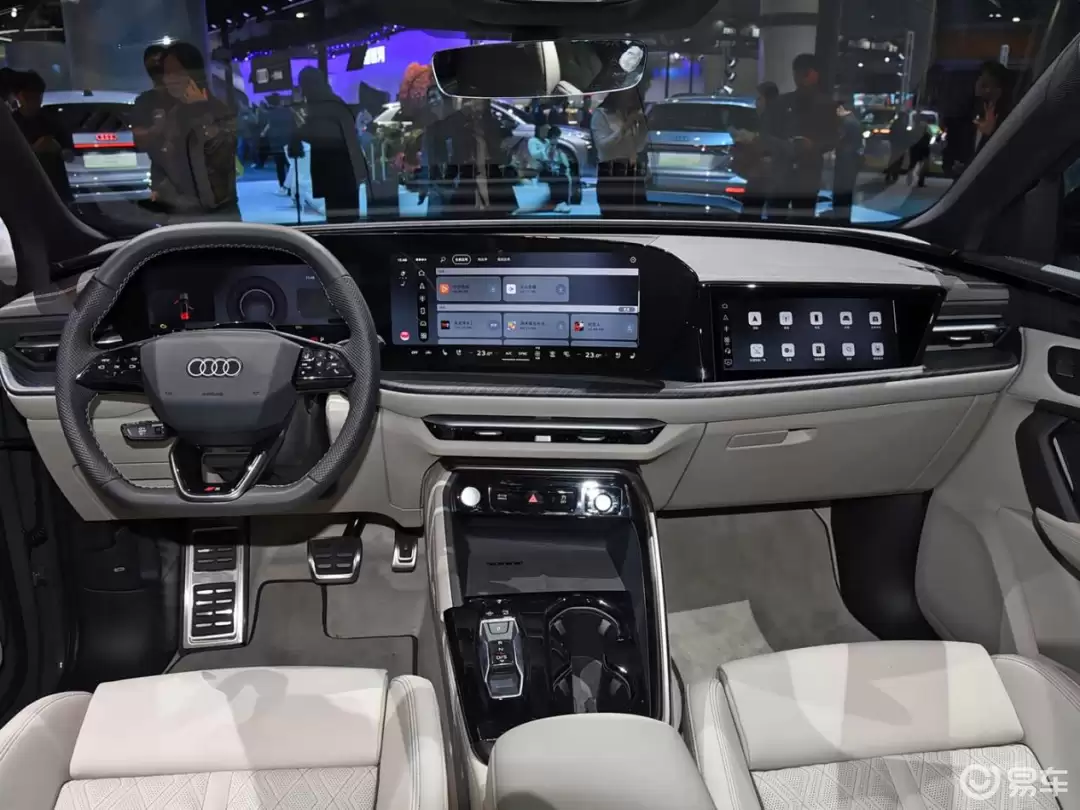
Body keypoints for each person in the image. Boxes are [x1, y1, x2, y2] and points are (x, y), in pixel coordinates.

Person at [157, 41, 238, 218]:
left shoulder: (218, 110)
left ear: (193, 74)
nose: (169, 79)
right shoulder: (173, 113)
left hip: (216, 214)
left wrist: (199, 110)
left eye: (176, 72)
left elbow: (219, 160)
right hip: (180, 212)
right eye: (166, 73)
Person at [293, 66, 367, 223]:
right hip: (340, 171)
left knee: (340, 219)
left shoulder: (325, 106)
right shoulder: (331, 103)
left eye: (303, 86)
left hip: (338, 171)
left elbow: (325, 136)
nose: (303, 92)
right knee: (343, 217)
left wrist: (297, 134)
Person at [774, 53, 838, 218]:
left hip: (808, 172)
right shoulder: (782, 102)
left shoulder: (827, 105)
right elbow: (770, 132)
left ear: (815, 74)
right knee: (776, 217)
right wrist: (783, 143)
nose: (800, 77)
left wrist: (814, 145)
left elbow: (833, 138)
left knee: (803, 216)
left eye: (806, 73)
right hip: (782, 171)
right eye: (798, 73)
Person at [11, 70, 74, 204]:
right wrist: (34, 150)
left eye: (38, 97)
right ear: (19, 96)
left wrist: (60, 150)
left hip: (55, 188)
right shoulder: (11, 124)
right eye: (29, 97)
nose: (34, 102)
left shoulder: (53, 121)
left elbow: (70, 154)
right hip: (23, 189)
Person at [130, 44, 178, 203]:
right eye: (153, 65)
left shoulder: (185, 96)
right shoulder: (145, 101)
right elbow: (138, 137)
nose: (158, 68)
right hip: (163, 176)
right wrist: (156, 129)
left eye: (161, 62)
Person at [590, 88, 648, 216]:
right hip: (612, 171)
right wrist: (625, 127)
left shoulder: (627, 114)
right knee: (614, 214)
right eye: (628, 96)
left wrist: (643, 126)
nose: (630, 101)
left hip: (632, 172)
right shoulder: (602, 114)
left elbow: (638, 146)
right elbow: (603, 146)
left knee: (637, 214)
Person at [734, 81, 783, 220]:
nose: (757, 102)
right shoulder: (765, 116)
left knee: (753, 209)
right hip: (761, 172)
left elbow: (768, 143)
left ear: (768, 99)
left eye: (760, 98)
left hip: (764, 173)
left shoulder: (771, 117)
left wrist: (752, 139)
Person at [833, 101, 864, 222]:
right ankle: (844, 215)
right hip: (852, 159)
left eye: (837, 109)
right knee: (847, 188)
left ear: (842, 108)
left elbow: (839, 139)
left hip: (845, 159)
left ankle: (839, 216)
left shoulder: (846, 122)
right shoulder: (854, 121)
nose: (836, 112)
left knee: (841, 187)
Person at [974, 60, 1011, 158]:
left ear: (998, 90)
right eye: (979, 80)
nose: (978, 85)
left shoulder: (1005, 118)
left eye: (985, 85)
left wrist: (989, 134)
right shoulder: (976, 111)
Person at [262, 93, 294, 195]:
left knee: (280, 167)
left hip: (276, 143)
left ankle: (282, 187)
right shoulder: (289, 111)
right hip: (288, 142)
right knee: (290, 166)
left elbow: (269, 126)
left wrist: (263, 133)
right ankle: (292, 187)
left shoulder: (270, 114)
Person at [907, 114, 931, 187]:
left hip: (916, 148)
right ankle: (920, 181)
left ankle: (910, 179)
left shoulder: (914, 128)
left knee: (913, 164)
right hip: (922, 149)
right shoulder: (926, 129)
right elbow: (928, 138)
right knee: (922, 165)